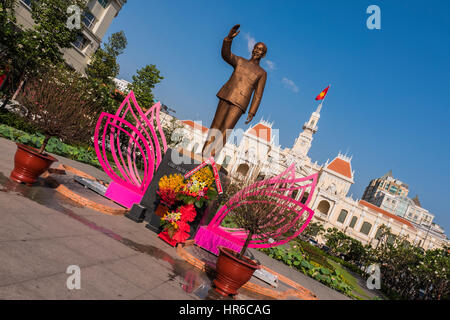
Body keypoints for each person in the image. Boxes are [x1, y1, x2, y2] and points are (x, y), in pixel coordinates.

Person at [202, 24, 267, 158]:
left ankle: (211, 158)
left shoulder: (262, 73)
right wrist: (228, 39)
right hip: (226, 95)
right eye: (256, 47)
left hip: (240, 102)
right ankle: (203, 154)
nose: (256, 51)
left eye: (260, 50)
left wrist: (252, 111)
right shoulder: (240, 61)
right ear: (252, 49)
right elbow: (226, 55)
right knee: (215, 126)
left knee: (226, 129)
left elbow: (258, 94)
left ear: (263, 54)